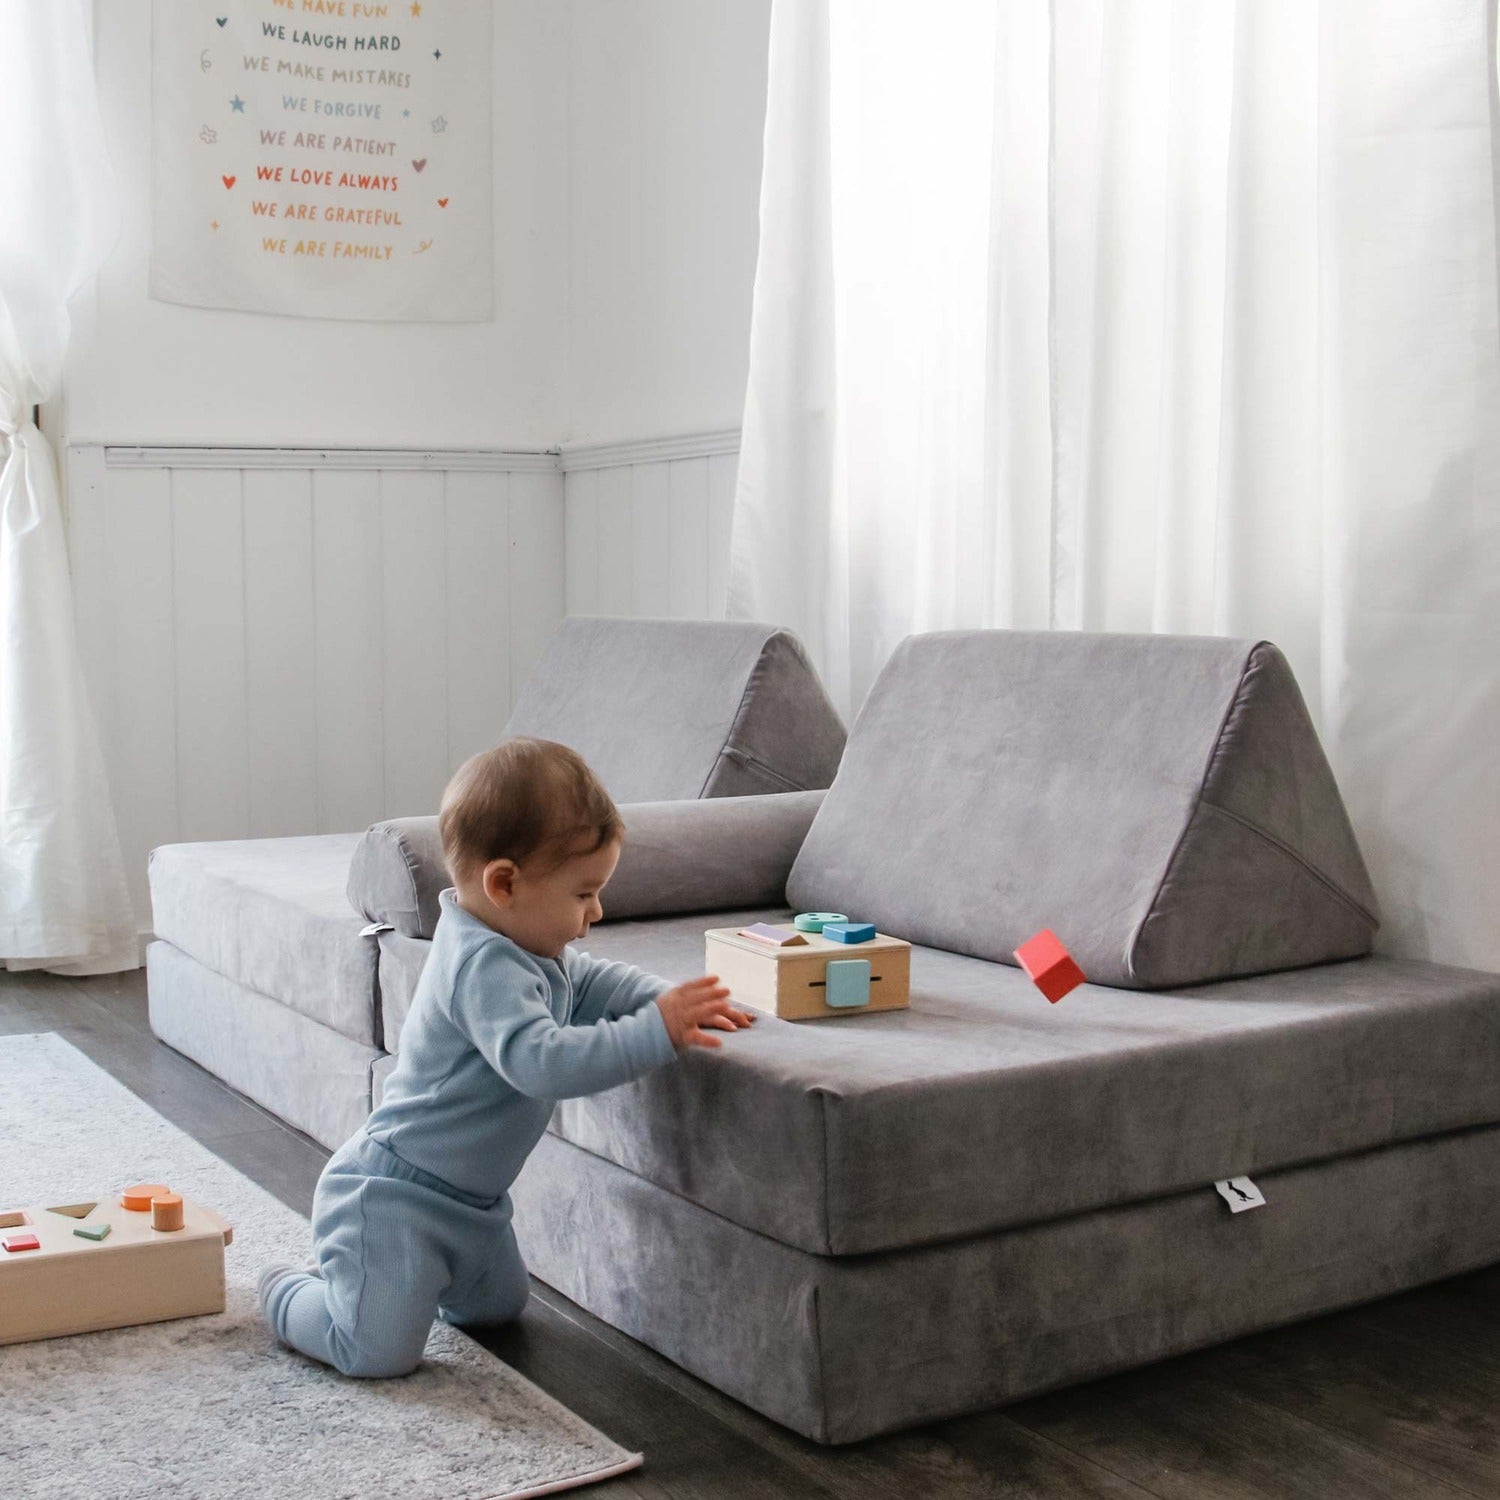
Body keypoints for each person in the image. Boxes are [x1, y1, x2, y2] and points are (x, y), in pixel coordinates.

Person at [258, 736, 753, 1376]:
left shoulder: (528, 948)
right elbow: (543, 1063)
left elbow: (593, 984)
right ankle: (287, 1292)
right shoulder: (480, 965)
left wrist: (672, 1000)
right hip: (394, 1198)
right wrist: (656, 1030)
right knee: (376, 1352)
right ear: (504, 884)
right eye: (583, 894)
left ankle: (393, 1284)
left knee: (497, 1309)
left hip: (473, 1206)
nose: (597, 911)